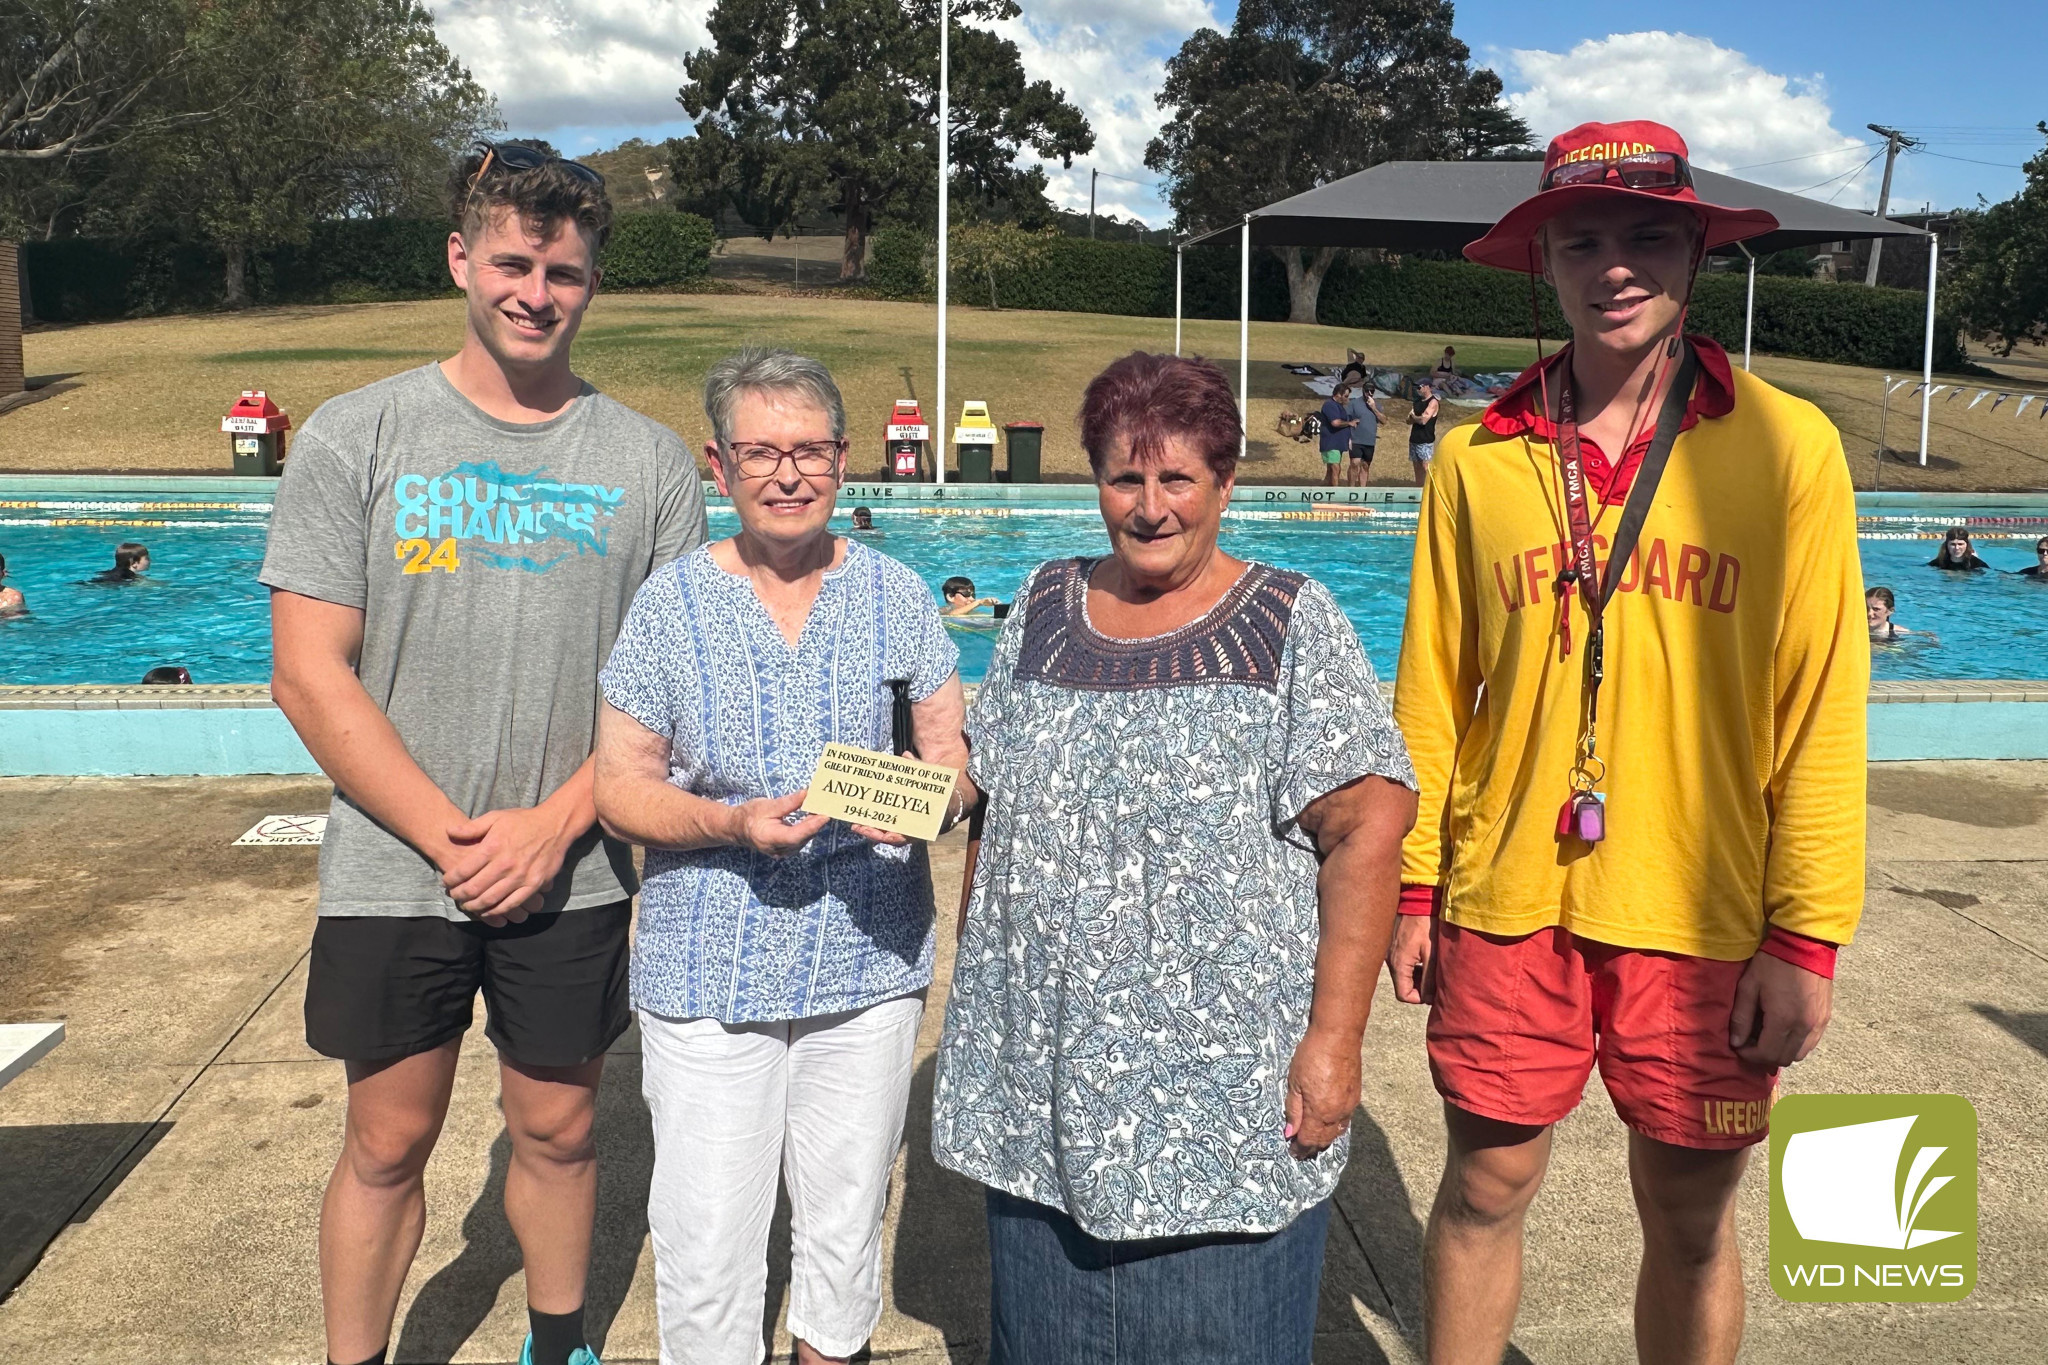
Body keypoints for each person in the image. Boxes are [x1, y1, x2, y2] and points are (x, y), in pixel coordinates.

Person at [1389, 120, 1867, 1365]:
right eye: (1581, 239)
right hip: (1505, 897)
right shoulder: (1475, 463)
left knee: (1691, 1222)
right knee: (1483, 1191)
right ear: (1540, 261)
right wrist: (1411, 885)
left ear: (1693, 251)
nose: (1613, 266)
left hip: (1701, 905)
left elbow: (1820, 703)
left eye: (1645, 236)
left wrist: (1803, 932)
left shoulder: (1786, 446)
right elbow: (1433, 695)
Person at [261, 140, 707, 1365]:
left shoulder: (649, 464)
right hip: (396, 863)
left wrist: (551, 827)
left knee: (558, 1129)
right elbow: (309, 671)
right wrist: (449, 833)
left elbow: (667, 692)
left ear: (590, 284)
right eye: (511, 261)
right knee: (386, 1140)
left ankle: (556, 1347)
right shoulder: (360, 436)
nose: (533, 291)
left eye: (562, 272)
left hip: (569, 865)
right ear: (461, 258)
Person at [933, 351, 1418, 1365]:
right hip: (1044, 1079)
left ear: (1224, 484)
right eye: (1123, 477)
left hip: (1216, 1095)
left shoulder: (1288, 622)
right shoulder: (1045, 604)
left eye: (1176, 479)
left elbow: (1367, 829)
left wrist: (1333, 1044)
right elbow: (981, 779)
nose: (1149, 507)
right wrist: (848, 785)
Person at [593, 348, 971, 1365]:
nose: (787, 473)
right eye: (760, 452)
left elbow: (955, 766)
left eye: (808, 450)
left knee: (845, 1220)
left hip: (867, 960)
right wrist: (727, 823)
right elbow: (617, 787)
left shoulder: (897, 597)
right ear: (720, 468)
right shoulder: (669, 605)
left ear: (844, 461)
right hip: (709, 962)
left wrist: (927, 809)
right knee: (707, 1231)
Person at [1346, 382, 1385, 487]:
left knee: (1365, 465)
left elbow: (1384, 421)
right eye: (1367, 391)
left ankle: (1362, 490)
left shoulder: (1377, 404)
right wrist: (1348, 437)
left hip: (1369, 440)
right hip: (1356, 439)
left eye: (1372, 391)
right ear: (1363, 390)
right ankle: (1351, 488)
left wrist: (1373, 408)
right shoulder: (1354, 403)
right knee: (1355, 462)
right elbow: (1347, 420)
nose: (1369, 393)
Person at [1318, 382, 1355, 486]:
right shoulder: (1329, 405)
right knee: (1335, 467)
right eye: (1346, 396)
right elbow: (1335, 422)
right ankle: (1335, 491)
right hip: (1331, 441)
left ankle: (1327, 488)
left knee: (1331, 469)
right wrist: (1349, 423)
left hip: (1338, 442)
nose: (1347, 399)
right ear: (1338, 394)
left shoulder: (1339, 406)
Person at [1865, 587, 1930, 643]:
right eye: (1866, 608)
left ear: (1890, 611)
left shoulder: (1900, 633)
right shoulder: (1855, 628)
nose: (1869, 613)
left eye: (1876, 609)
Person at [1407, 380, 1439, 486]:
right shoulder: (1417, 402)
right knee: (1417, 467)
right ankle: (1419, 489)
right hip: (1414, 439)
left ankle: (1430, 488)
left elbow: (1423, 421)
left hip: (1425, 440)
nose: (1418, 390)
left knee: (1426, 467)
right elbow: (1408, 420)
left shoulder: (1433, 402)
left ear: (1427, 387)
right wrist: (1414, 418)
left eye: (1419, 387)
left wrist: (1414, 417)